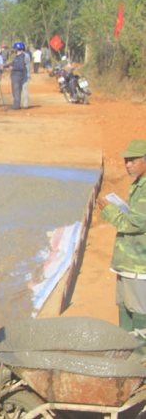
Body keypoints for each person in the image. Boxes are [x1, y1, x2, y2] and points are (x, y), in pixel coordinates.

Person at [97, 139, 146, 341]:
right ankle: (127, 348)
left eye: (132, 160)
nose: (127, 165)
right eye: (126, 160)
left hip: (138, 263)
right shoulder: (139, 184)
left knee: (139, 307)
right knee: (125, 303)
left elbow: (136, 224)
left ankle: (140, 355)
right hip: (128, 261)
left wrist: (110, 212)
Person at [4, 42, 27, 110]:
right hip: (15, 75)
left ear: (17, 49)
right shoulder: (17, 56)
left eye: (14, 48)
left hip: (17, 76)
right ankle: (16, 104)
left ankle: (16, 105)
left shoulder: (21, 56)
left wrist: (13, 68)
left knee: (16, 90)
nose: (13, 50)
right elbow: (12, 63)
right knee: (15, 90)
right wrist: (5, 66)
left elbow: (21, 66)